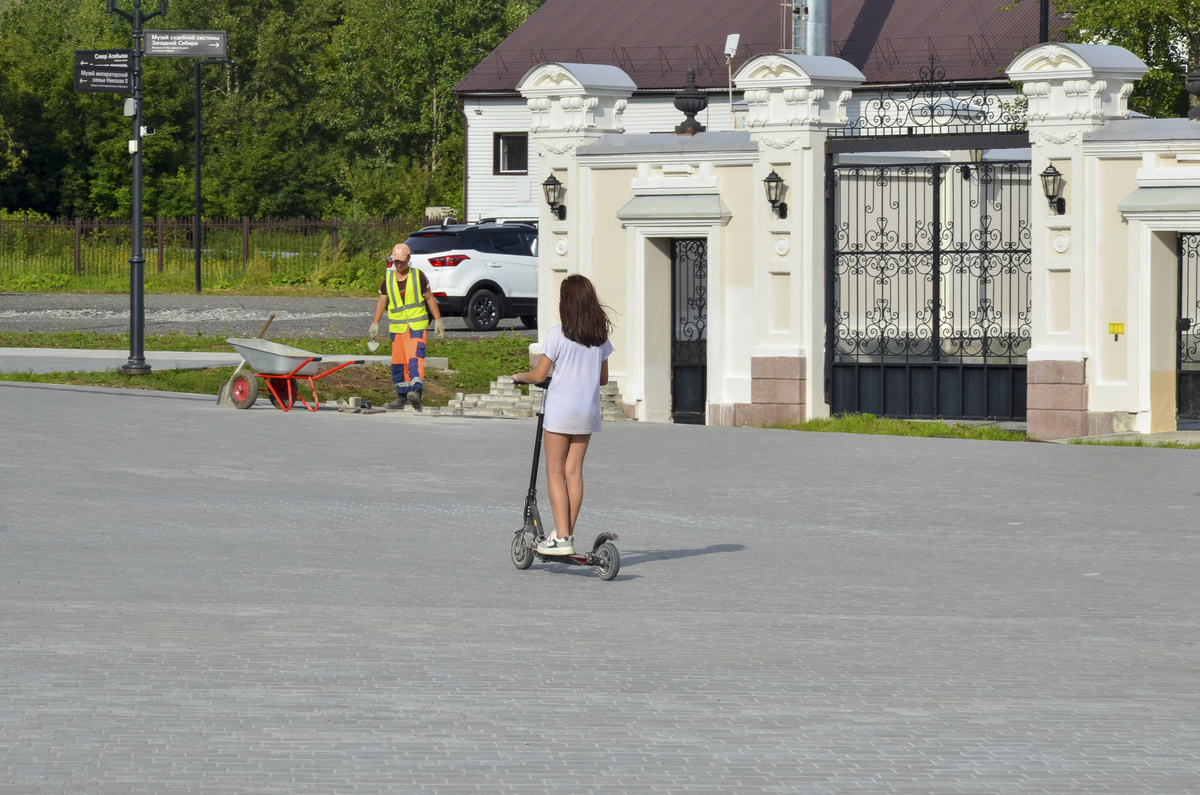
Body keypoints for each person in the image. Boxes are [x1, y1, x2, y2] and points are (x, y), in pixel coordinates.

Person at [512, 275, 614, 556]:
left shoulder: (558, 334)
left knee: (555, 471)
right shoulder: (599, 337)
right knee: (574, 471)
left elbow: (539, 375)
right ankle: (564, 532)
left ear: (566, 302)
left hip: (560, 411)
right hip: (587, 412)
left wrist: (519, 376)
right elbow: (603, 379)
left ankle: (562, 537)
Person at [369, 243, 445, 411]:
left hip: (416, 326)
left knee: (414, 360)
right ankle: (401, 396)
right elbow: (382, 300)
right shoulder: (388, 278)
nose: (399, 264)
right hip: (397, 329)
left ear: (409, 259)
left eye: (402, 261)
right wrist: (375, 323)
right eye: (396, 261)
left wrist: (438, 321)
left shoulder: (418, 276)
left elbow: (430, 298)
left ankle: (416, 391)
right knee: (398, 363)